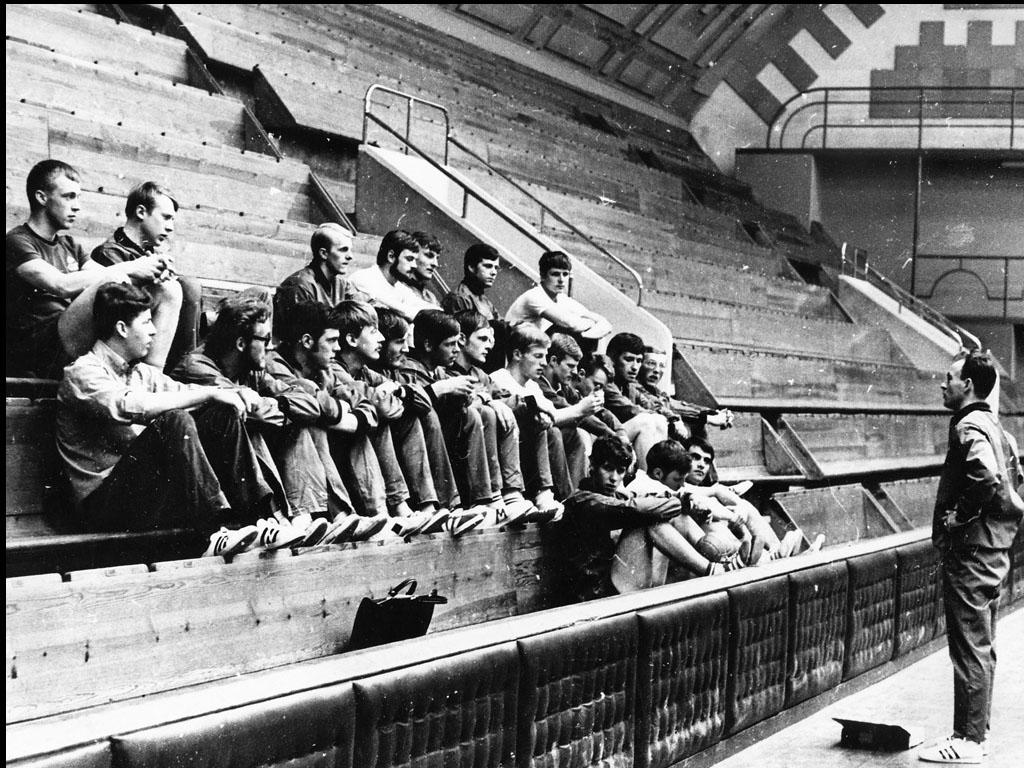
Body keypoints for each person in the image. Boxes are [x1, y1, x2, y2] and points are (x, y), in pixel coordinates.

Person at [56, 282, 294, 558]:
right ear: (122, 328)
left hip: (139, 494)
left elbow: (185, 392)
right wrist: (211, 391)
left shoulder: (142, 373)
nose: (154, 330)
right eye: (146, 322)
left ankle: (263, 520)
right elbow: (136, 406)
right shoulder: (83, 373)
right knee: (175, 420)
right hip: (99, 504)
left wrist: (234, 393)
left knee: (222, 413)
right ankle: (213, 531)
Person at [174, 295, 356, 547]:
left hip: (237, 466)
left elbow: (303, 401)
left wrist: (280, 405)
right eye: (265, 340)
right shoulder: (197, 367)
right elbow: (252, 412)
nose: (271, 348)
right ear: (240, 343)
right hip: (203, 474)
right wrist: (278, 409)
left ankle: (309, 520)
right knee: (247, 422)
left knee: (298, 421)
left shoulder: (253, 369)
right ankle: (275, 519)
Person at [918, 351, 1023, 765]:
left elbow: (987, 478)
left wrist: (960, 516)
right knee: (982, 645)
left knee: (970, 648)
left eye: (949, 379)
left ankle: (969, 740)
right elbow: (1013, 480)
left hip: (972, 553)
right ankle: (973, 733)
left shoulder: (968, 426)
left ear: (969, 386)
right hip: (993, 550)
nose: (944, 386)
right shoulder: (997, 426)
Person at [7, 160, 182, 378]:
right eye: (69, 196)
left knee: (167, 289)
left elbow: (108, 278)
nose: (77, 205)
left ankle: (150, 378)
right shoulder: (16, 241)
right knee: (117, 278)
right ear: (42, 197)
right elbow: (59, 285)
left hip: (70, 337)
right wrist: (133, 267)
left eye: (78, 197)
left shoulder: (71, 245)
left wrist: (153, 272)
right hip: (36, 349)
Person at [334, 299, 467, 537]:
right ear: (352, 340)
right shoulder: (336, 370)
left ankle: (428, 506)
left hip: (364, 445)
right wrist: (391, 397)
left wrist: (400, 392)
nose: (382, 339)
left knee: (409, 417)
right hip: (345, 450)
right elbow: (372, 401)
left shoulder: (366, 371)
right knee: (383, 419)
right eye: (374, 332)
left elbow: (415, 400)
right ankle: (393, 508)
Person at [554, 436, 702, 603]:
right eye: (608, 468)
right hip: (592, 597)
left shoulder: (615, 495)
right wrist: (678, 502)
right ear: (592, 466)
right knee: (649, 519)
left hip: (610, 586)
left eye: (621, 471)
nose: (614, 478)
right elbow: (633, 509)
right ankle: (710, 569)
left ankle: (716, 559)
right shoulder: (584, 501)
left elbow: (643, 498)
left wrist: (681, 499)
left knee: (674, 516)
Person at [90, 181, 202, 371]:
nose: (170, 227)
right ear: (141, 212)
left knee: (188, 285)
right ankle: (166, 373)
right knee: (181, 287)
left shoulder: (148, 254)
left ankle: (185, 367)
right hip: (121, 348)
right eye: (166, 218)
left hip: (146, 341)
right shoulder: (108, 253)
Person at [449, 310, 539, 526]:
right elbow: (466, 403)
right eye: (482, 338)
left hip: (480, 442)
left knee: (537, 419)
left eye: (491, 339)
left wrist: (538, 408)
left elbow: (508, 398)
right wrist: (490, 401)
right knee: (488, 412)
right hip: (458, 443)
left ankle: (519, 494)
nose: (489, 345)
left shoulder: (480, 374)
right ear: (462, 339)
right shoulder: (449, 370)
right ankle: (492, 497)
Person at [490, 323, 591, 511]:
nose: (544, 363)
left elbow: (552, 414)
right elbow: (550, 414)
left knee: (561, 431)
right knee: (547, 428)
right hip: (505, 458)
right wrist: (580, 410)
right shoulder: (499, 379)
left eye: (545, 356)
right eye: (538, 356)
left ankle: (562, 496)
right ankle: (553, 496)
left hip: (525, 456)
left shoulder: (532, 386)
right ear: (517, 354)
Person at [505, 249, 611, 355]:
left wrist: (590, 328)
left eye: (565, 274)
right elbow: (570, 324)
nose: (561, 279)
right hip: (517, 348)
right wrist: (590, 327)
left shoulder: (561, 298)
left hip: (535, 346)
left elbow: (604, 323)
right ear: (543, 275)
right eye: (555, 274)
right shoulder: (534, 296)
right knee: (565, 329)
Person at [274, 222, 366, 332]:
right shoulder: (298, 286)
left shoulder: (343, 285)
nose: (350, 256)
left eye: (350, 250)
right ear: (323, 253)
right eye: (343, 249)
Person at [601, 332, 671, 470]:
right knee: (645, 421)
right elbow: (631, 410)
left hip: (619, 440)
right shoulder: (606, 382)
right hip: (603, 440)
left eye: (639, 361)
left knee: (660, 421)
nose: (635, 367)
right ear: (613, 359)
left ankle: (656, 479)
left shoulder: (629, 386)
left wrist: (672, 418)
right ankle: (646, 479)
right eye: (629, 359)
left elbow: (652, 405)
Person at [638, 346, 734, 439]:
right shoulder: (634, 388)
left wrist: (713, 413)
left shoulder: (657, 392)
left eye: (662, 366)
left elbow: (679, 405)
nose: (657, 370)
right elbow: (659, 407)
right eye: (651, 363)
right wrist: (707, 418)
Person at [442, 242, 507, 370]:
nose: (494, 272)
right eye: (488, 266)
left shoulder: (485, 300)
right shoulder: (459, 298)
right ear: (471, 267)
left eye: (496, 268)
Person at [348, 229, 435, 320]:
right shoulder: (365, 278)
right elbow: (406, 311)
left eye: (415, 260)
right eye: (409, 259)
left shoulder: (399, 286)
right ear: (391, 256)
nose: (414, 265)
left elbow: (421, 305)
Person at [409, 231, 443, 306]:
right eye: (429, 255)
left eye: (437, 258)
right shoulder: (399, 288)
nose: (435, 264)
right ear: (412, 255)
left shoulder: (432, 298)